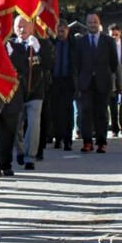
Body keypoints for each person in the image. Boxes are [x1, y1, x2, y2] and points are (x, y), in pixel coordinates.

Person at [71, 12, 120, 154]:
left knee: (101, 113)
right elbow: (77, 63)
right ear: (86, 24)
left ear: (99, 23)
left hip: (102, 81)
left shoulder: (108, 41)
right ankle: (87, 142)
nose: (92, 24)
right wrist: (79, 80)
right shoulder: (81, 42)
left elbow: (114, 62)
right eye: (90, 22)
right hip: (86, 82)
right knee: (85, 112)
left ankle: (101, 142)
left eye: (95, 22)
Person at [12, 15, 53, 170]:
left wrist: (38, 50)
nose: (22, 29)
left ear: (32, 27)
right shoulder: (11, 45)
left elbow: (49, 64)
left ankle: (30, 156)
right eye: (18, 26)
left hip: (36, 91)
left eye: (25, 26)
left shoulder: (40, 43)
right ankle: (21, 150)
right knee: (16, 125)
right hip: (17, 91)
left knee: (34, 124)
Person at [48, 20, 75, 151]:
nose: (60, 33)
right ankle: (57, 138)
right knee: (55, 112)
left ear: (67, 31)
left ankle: (68, 140)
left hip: (68, 82)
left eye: (63, 31)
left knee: (68, 112)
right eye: (58, 31)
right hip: (54, 82)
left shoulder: (73, 45)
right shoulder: (52, 44)